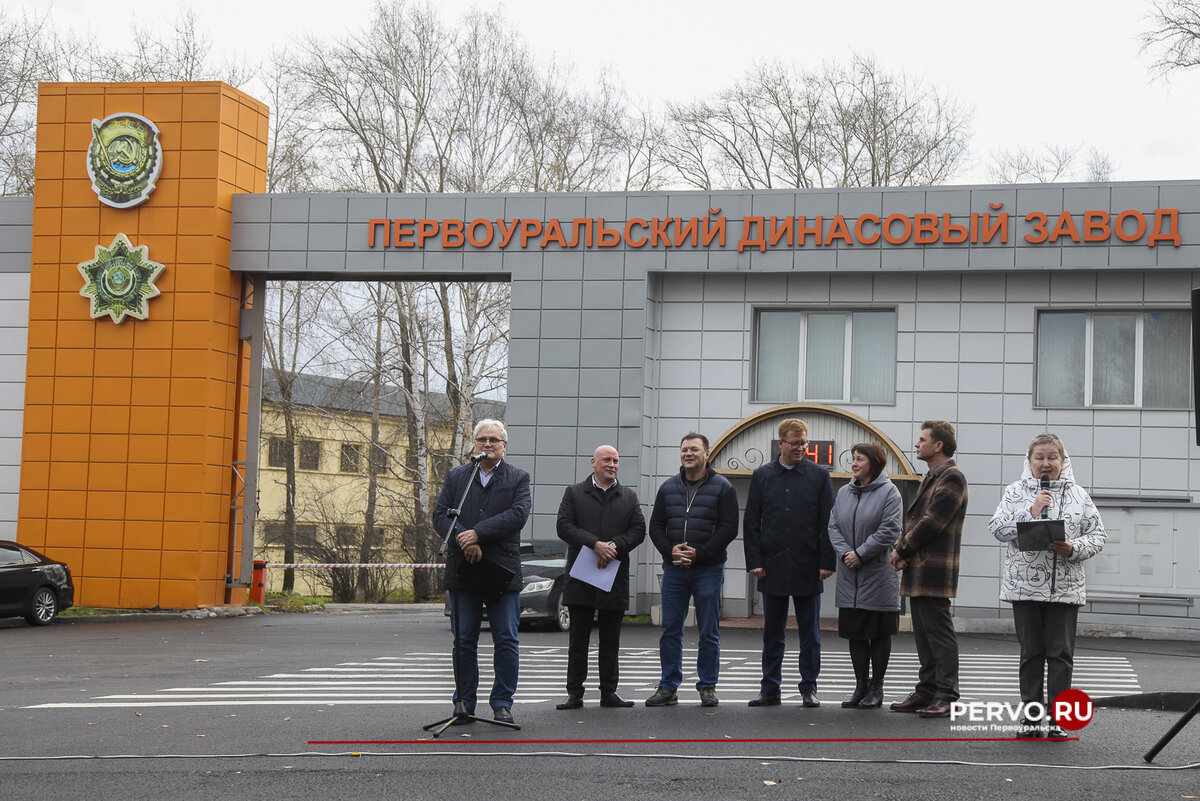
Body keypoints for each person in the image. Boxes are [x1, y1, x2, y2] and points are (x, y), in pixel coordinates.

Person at [988, 433, 1106, 739]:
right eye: (1039, 457)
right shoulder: (1015, 492)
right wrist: (1031, 511)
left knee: (1060, 656)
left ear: (1063, 461)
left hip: (1066, 589)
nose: (1045, 463)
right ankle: (1031, 720)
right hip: (1024, 589)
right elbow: (997, 528)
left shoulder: (1080, 495)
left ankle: (1057, 721)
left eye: (1052, 457)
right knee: (1031, 655)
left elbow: (1098, 536)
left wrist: (1073, 547)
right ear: (1028, 462)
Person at [433, 419, 531, 726]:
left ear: (504, 445)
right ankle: (463, 702)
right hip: (464, 570)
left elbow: (517, 515)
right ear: (473, 444)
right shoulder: (457, 476)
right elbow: (440, 514)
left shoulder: (518, 477)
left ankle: (502, 702)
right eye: (481, 439)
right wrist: (465, 540)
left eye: (493, 440)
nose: (486, 444)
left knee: (505, 638)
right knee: (463, 640)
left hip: (501, 570)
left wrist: (477, 534)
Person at [742, 418, 835, 708]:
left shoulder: (819, 476)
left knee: (811, 634)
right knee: (773, 632)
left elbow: (828, 522)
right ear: (780, 443)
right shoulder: (762, 475)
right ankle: (770, 688)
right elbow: (751, 521)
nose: (801, 448)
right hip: (771, 565)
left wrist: (826, 561)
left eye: (804, 443)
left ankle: (809, 687)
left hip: (808, 565)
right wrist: (754, 561)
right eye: (795, 444)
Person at [645, 432, 739, 708]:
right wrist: (670, 550)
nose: (688, 453)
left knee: (708, 630)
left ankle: (707, 686)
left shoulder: (723, 487)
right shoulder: (667, 488)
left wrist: (700, 554)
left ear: (706, 454)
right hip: (674, 569)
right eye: (684, 449)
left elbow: (728, 528)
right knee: (670, 629)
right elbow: (656, 527)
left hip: (708, 569)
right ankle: (668, 686)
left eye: (694, 449)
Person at [554, 445, 647, 710]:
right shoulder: (574, 493)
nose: (612, 464)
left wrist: (614, 546)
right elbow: (564, 526)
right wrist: (595, 544)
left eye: (616, 460)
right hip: (581, 577)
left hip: (612, 578)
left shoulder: (628, 496)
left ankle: (609, 692)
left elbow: (638, 530)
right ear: (593, 462)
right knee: (578, 641)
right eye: (607, 459)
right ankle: (575, 693)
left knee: (610, 641)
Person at [889, 420, 968, 719]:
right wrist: (903, 548)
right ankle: (927, 690)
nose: (916, 444)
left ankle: (947, 695)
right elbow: (915, 523)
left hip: (935, 568)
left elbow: (932, 522)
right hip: (921, 567)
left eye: (922, 439)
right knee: (924, 634)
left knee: (938, 633)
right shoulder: (932, 476)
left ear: (938, 445)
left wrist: (901, 549)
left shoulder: (952, 477)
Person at [826, 442, 903, 709]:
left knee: (878, 634)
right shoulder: (845, 492)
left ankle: (877, 689)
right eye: (853, 459)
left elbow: (890, 529)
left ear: (874, 462)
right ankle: (860, 686)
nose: (854, 463)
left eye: (859, 459)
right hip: (850, 576)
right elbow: (833, 525)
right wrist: (846, 552)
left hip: (878, 576)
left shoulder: (890, 492)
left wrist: (861, 553)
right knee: (856, 634)